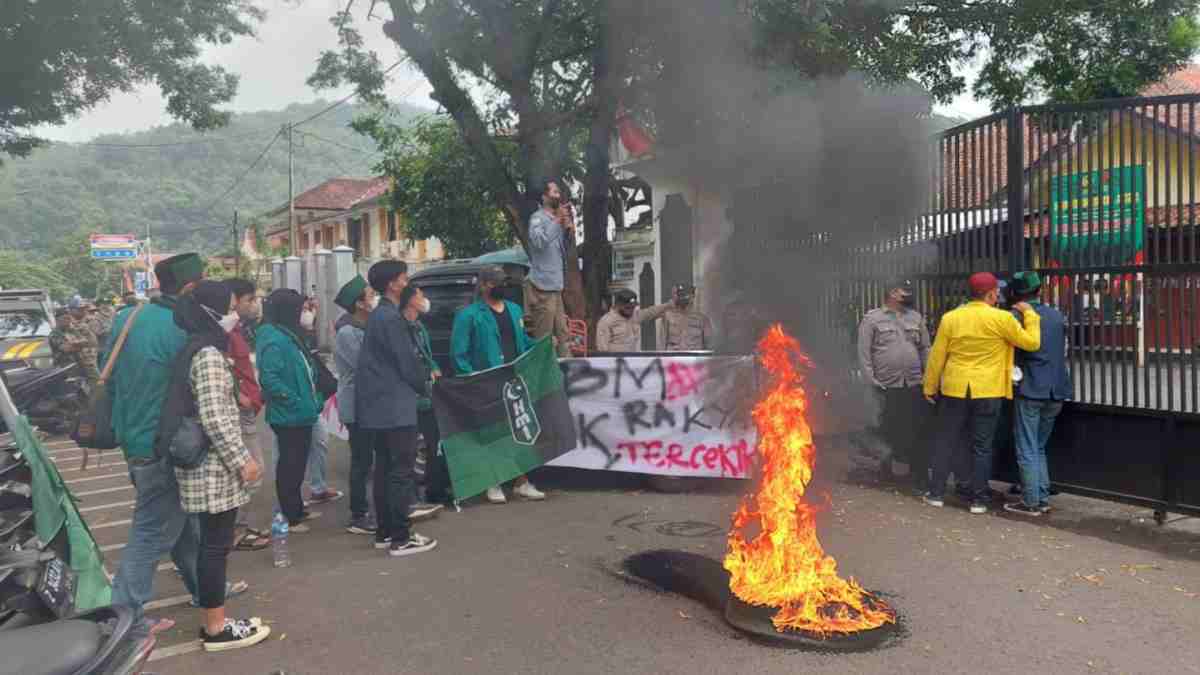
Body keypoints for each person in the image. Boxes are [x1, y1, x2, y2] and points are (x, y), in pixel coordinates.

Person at [104, 253, 245, 631]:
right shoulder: (184, 329)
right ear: (189, 291)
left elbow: (110, 373)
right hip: (167, 444)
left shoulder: (127, 318)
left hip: (133, 437)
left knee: (180, 525)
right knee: (152, 530)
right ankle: (126, 618)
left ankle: (205, 589)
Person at [161, 280, 270, 652]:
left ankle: (216, 620)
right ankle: (215, 627)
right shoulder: (206, 354)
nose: (232, 313)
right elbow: (214, 418)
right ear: (209, 313)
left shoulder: (198, 349)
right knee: (214, 547)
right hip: (212, 469)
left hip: (208, 465)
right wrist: (244, 462)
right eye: (227, 307)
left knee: (213, 545)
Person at [922, 272, 1041, 514]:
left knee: (946, 441)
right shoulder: (1002, 319)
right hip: (988, 390)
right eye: (996, 291)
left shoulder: (951, 318)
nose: (998, 294)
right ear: (989, 294)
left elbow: (937, 356)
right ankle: (978, 500)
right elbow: (1031, 343)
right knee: (982, 447)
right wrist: (1030, 314)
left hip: (955, 389)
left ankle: (936, 494)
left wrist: (929, 386)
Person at [357, 260, 439, 557]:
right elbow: (406, 363)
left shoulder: (380, 315)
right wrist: (425, 383)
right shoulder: (390, 318)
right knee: (400, 472)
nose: (407, 283)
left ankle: (385, 532)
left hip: (380, 406)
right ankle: (401, 538)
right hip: (394, 406)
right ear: (393, 284)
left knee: (385, 471)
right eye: (404, 278)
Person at [450, 265, 546, 504]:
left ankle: (521, 482)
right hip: (487, 381)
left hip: (515, 378)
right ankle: (492, 482)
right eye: (498, 282)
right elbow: (458, 355)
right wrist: (473, 379)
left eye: (504, 281)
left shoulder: (514, 310)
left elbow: (522, 340)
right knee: (493, 433)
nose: (503, 286)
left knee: (520, 430)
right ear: (484, 285)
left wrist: (542, 345)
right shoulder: (468, 315)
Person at [1004, 272, 1071, 517]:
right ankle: (1041, 494)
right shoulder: (1056, 315)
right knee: (1039, 446)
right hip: (1057, 389)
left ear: (1014, 294)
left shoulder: (1014, 316)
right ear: (1039, 291)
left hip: (1031, 388)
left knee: (1027, 447)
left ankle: (1031, 501)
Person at [256, 289, 323, 532]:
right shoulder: (274, 338)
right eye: (300, 309)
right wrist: (295, 401)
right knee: (290, 464)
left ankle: (296, 507)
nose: (305, 314)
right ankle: (290, 515)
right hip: (289, 414)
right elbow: (269, 378)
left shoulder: (287, 334)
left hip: (300, 413)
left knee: (297, 463)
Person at [857, 279, 931, 490]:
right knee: (888, 428)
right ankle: (886, 471)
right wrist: (871, 381)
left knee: (916, 428)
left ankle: (917, 474)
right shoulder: (872, 319)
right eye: (903, 290)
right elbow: (864, 353)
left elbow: (926, 348)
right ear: (891, 293)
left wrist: (928, 375)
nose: (907, 294)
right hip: (886, 385)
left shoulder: (916, 318)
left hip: (913, 383)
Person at [333, 275, 379, 535]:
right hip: (356, 404)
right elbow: (365, 366)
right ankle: (358, 515)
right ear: (359, 304)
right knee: (361, 460)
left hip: (371, 402)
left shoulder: (366, 325)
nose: (374, 299)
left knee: (370, 458)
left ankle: (368, 508)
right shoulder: (347, 332)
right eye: (370, 295)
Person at [401, 285, 451, 508]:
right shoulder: (400, 328)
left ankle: (435, 490)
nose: (425, 299)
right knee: (408, 450)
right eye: (421, 295)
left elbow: (427, 356)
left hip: (428, 396)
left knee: (435, 444)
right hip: (409, 397)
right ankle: (410, 498)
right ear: (410, 300)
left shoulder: (420, 327)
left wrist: (434, 368)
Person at [525, 179, 572, 357]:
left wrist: (567, 230)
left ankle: (567, 374)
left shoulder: (555, 219)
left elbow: (562, 250)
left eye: (559, 193)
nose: (558, 196)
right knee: (544, 338)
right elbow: (539, 243)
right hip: (543, 287)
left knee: (563, 334)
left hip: (556, 286)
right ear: (544, 197)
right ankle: (543, 379)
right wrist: (558, 221)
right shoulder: (537, 218)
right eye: (555, 192)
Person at [595, 289, 672, 352]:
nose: (631, 310)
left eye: (633, 307)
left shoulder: (635, 316)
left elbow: (650, 312)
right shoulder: (606, 321)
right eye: (628, 308)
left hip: (632, 361)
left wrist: (669, 304)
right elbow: (603, 349)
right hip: (615, 364)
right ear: (618, 305)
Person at [660, 284, 715, 352]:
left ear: (693, 296)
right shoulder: (668, 316)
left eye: (686, 295)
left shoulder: (702, 319)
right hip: (674, 359)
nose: (683, 298)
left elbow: (710, 346)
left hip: (695, 360)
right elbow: (661, 345)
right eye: (680, 295)